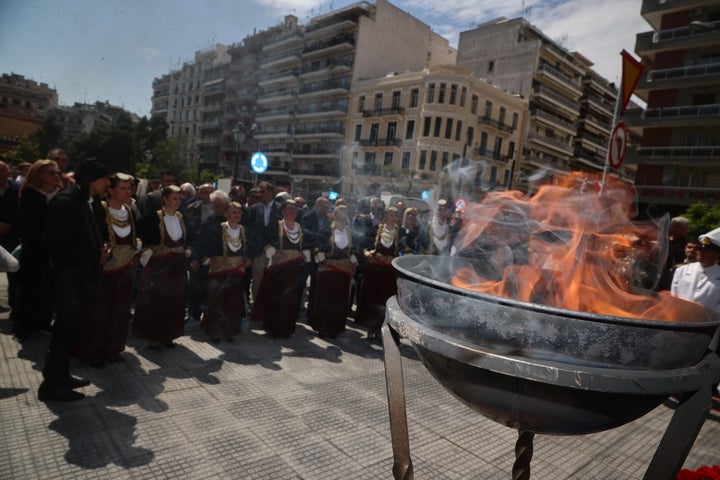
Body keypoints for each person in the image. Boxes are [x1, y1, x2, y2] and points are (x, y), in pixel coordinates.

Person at [39, 159, 112, 401]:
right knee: (64, 329)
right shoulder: (65, 202)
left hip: (85, 277)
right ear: (92, 180)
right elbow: (57, 244)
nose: (108, 183)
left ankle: (62, 375)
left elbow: (95, 235)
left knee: (73, 329)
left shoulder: (90, 203)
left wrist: (102, 251)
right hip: (68, 278)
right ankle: (51, 384)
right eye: (104, 178)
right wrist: (93, 255)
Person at [74, 173, 138, 366]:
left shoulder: (130, 210)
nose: (128, 191)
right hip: (103, 271)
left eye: (130, 188)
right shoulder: (99, 209)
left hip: (125, 269)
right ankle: (93, 352)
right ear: (110, 190)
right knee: (99, 312)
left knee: (120, 311)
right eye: (123, 188)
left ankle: (113, 349)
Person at [12, 160, 63, 340]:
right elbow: (28, 224)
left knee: (48, 289)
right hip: (34, 249)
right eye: (51, 173)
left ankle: (43, 321)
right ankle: (22, 325)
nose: (56, 176)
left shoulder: (62, 194)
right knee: (28, 288)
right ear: (39, 175)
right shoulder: (29, 193)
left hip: (54, 250)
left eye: (57, 172)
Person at [134, 185, 188, 349]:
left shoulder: (181, 217)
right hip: (159, 266)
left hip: (177, 266)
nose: (177, 201)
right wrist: (146, 250)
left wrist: (189, 250)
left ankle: (169, 335)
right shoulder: (153, 217)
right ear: (164, 199)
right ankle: (154, 336)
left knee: (175, 300)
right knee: (157, 301)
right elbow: (140, 235)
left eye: (179, 198)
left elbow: (189, 237)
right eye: (174, 198)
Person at [193, 201, 253, 342]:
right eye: (233, 212)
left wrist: (249, 258)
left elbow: (253, 246)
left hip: (237, 271)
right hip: (218, 270)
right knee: (216, 300)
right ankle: (215, 331)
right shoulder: (216, 229)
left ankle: (229, 331)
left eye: (239, 212)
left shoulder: (244, 231)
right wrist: (206, 259)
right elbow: (202, 244)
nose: (236, 215)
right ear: (226, 214)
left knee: (233, 302)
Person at [251, 199, 309, 337]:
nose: (293, 211)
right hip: (278, 268)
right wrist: (268, 247)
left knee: (290, 299)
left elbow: (307, 242)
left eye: (295, 209)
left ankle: (286, 329)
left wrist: (307, 250)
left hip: (293, 270)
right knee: (276, 297)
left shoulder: (299, 228)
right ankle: (273, 327)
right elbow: (261, 236)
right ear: (283, 211)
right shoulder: (275, 225)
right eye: (290, 209)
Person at [308, 205, 358, 338]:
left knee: (339, 301)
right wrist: (318, 253)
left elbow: (355, 247)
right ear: (334, 215)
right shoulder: (326, 230)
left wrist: (354, 255)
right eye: (339, 214)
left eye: (345, 214)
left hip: (343, 271)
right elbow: (315, 244)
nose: (342, 216)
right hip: (327, 270)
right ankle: (322, 327)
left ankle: (335, 328)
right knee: (325, 299)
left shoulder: (350, 231)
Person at [355, 206, 401, 340]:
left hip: (389, 274)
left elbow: (405, 248)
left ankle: (382, 331)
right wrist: (366, 253)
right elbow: (364, 245)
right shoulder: (376, 230)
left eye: (396, 214)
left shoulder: (400, 232)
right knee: (372, 300)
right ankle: (370, 329)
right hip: (374, 272)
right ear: (386, 216)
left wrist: (398, 258)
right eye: (391, 214)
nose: (393, 217)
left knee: (386, 302)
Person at [247, 181, 282, 302]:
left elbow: (283, 230)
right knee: (257, 280)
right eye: (258, 191)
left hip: (276, 252)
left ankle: (271, 307)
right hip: (259, 251)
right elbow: (250, 230)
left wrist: (274, 245)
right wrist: (262, 245)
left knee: (275, 281)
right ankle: (257, 306)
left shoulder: (281, 209)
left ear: (271, 192)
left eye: (262, 191)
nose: (259, 194)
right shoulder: (254, 209)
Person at [299, 196, 331, 314]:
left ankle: (311, 311)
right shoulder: (308, 216)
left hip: (319, 255)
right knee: (302, 282)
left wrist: (321, 248)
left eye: (328, 207)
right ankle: (297, 308)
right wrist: (317, 241)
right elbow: (306, 232)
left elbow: (328, 234)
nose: (327, 210)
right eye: (325, 207)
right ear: (318, 206)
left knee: (315, 284)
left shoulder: (327, 219)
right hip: (308, 254)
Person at [0, 161, 20, 311]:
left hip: (12, 235)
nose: (1, 173)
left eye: (3, 170)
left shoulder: (16, 189)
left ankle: (14, 302)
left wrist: (9, 223)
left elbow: (20, 211)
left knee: (13, 270)